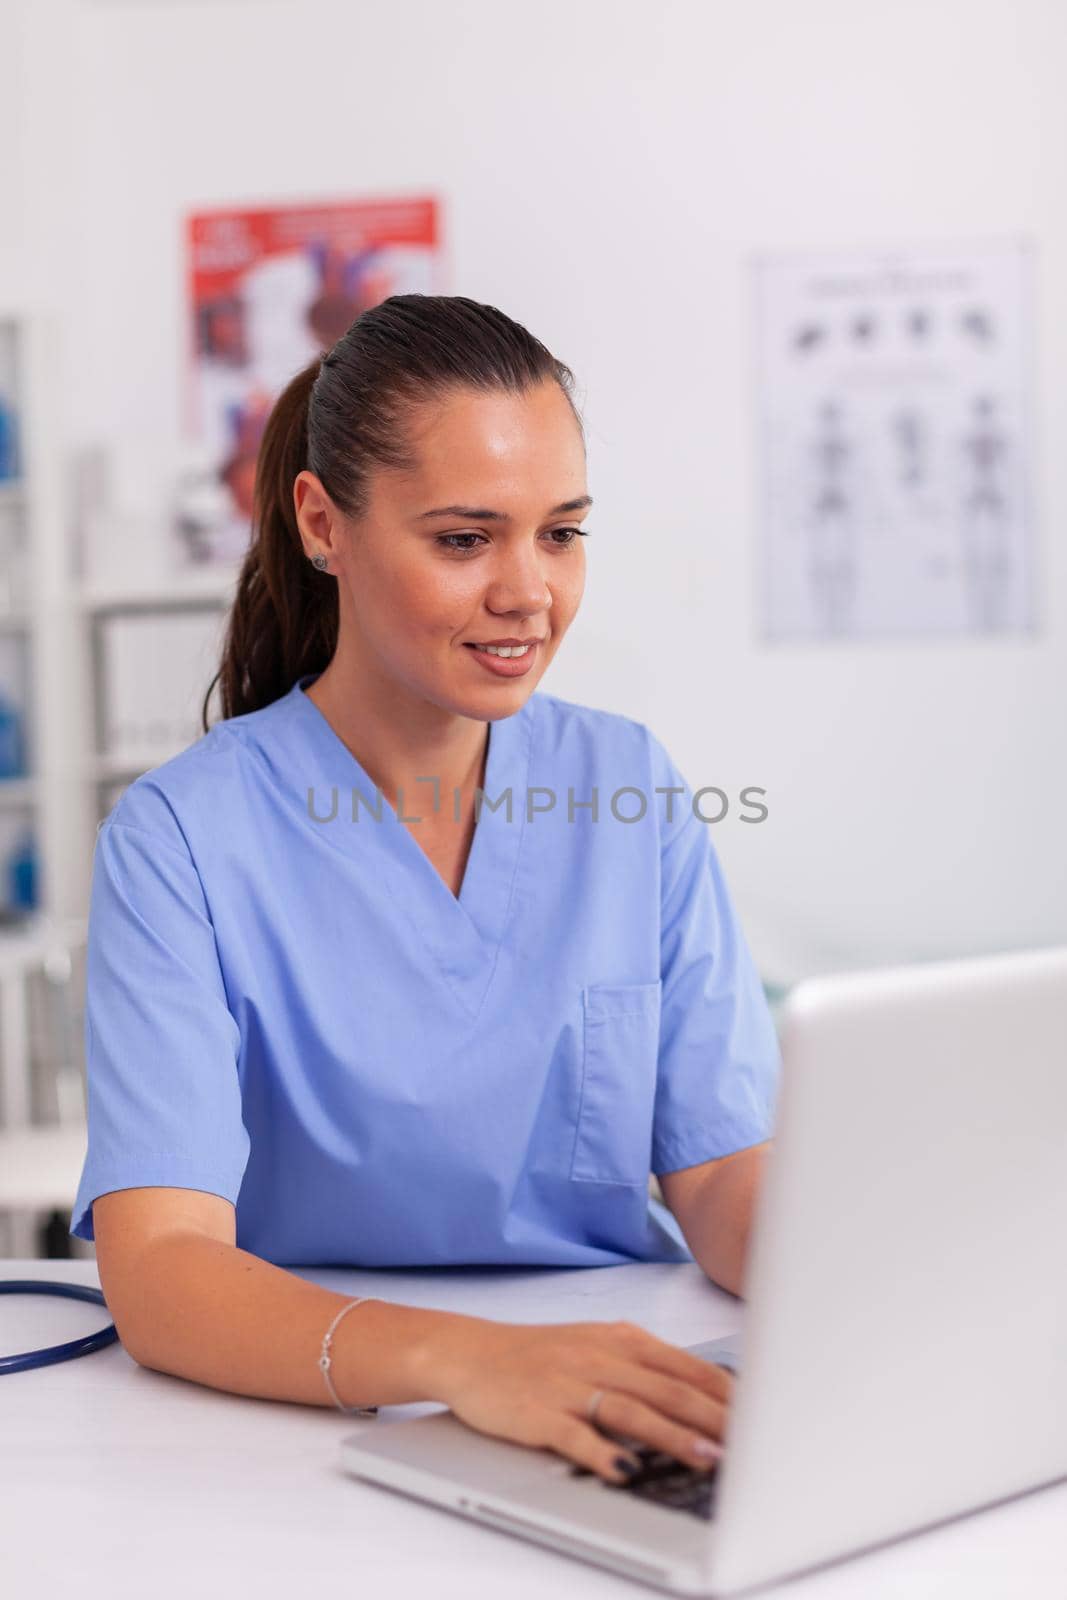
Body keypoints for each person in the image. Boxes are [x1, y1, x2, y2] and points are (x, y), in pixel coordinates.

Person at [71, 295, 780, 1488]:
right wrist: (472, 1362)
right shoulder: (183, 836)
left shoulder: (624, 785)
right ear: (321, 524)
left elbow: (715, 1173)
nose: (528, 593)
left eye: (560, 533)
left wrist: (884, 1296)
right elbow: (162, 1268)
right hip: (293, 1414)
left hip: (607, 1383)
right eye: (464, 539)